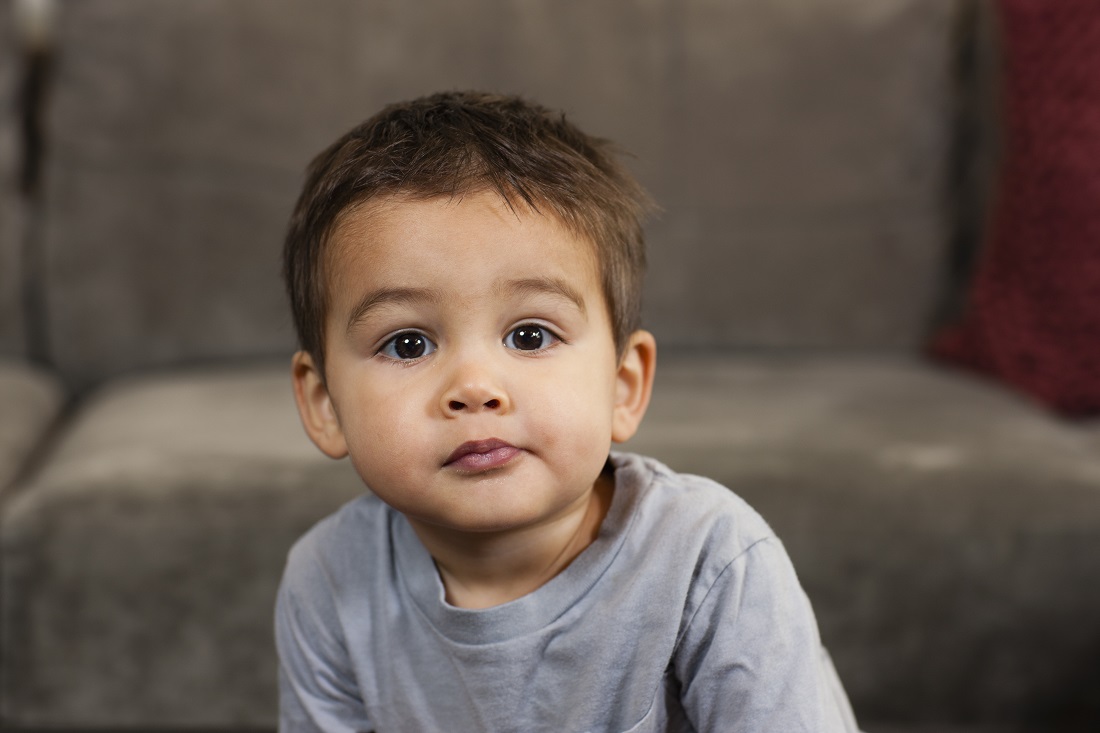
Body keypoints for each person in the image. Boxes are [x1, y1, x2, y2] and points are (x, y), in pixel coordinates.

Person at [277, 90, 861, 732]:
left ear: (622, 385)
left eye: (530, 335)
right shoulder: (329, 578)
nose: (474, 387)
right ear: (324, 403)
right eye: (407, 343)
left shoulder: (709, 560)